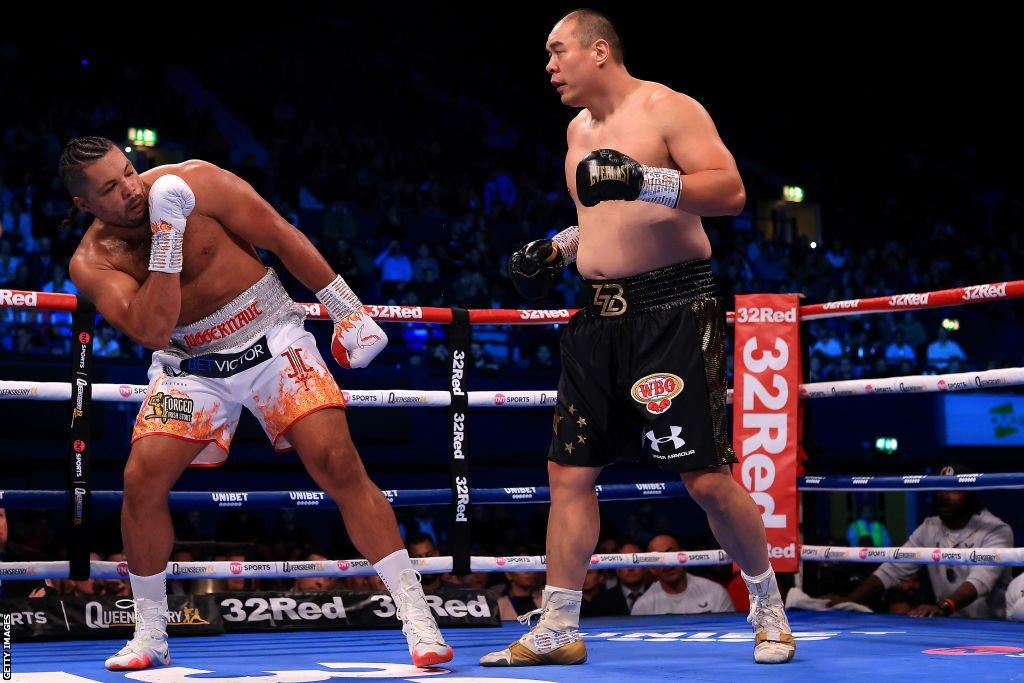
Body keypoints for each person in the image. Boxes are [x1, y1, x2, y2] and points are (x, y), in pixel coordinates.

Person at [60, 136, 450, 671]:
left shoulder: (197, 180)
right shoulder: (92, 260)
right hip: (190, 361)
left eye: (128, 172)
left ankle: (417, 618)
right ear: (83, 205)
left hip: (272, 335)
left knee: (338, 462)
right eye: (109, 187)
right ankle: (149, 634)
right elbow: (152, 330)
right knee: (141, 478)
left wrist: (346, 309)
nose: (130, 189)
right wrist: (168, 237)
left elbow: (280, 236)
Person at [483, 9, 793, 667]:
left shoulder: (667, 108)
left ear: (600, 51)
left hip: (674, 306)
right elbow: (599, 218)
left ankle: (768, 606)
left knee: (705, 477)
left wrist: (642, 177)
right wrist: (557, 250)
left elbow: (732, 192)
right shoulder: (575, 130)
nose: (548, 65)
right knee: (568, 473)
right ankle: (559, 625)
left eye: (557, 50)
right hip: (598, 316)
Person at [826, 465, 1012, 619]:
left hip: (991, 628)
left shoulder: (996, 531)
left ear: (971, 494)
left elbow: (979, 581)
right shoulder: (930, 527)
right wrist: (849, 601)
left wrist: (943, 606)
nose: (944, 496)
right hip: (949, 625)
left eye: (954, 489)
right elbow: (892, 569)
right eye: (941, 488)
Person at [630, 535, 734, 615]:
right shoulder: (643, 606)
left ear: (685, 557)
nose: (667, 564)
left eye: (671, 554)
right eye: (658, 558)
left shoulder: (715, 592)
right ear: (652, 569)